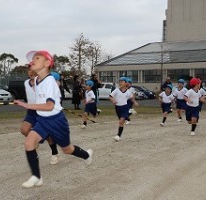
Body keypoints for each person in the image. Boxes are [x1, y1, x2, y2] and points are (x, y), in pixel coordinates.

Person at [14, 50, 93, 188]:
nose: (33, 60)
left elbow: (50, 106)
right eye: (32, 59)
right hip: (42, 120)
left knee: (67, 149)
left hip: (56, 121)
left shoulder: (50, 81)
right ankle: (37, 177)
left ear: (47, 63)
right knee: (29, 143)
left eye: (37, 58)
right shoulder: (37, 80)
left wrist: (27, 105)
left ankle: (86, 155)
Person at [19, 67, 60, 165]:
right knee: (24, 130)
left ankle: (55, 153)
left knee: (49, 136)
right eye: (28, 70)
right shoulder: (26, 83)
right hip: (31, 111)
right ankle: (37, 140)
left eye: (32, 70)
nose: (30, 72)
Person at [109, 77, 132, 142]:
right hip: (117, 108)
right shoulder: (116, 90)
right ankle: (128, 115)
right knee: (121, 120)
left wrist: (134, 102)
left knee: (121, 121)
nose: (120, 83)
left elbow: (131, 97)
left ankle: (118, 135)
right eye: (119, 82)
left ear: (126, 83)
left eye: (122, 82)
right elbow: (110, 96)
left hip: (125, 107)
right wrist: (113, 100)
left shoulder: (128, 92)